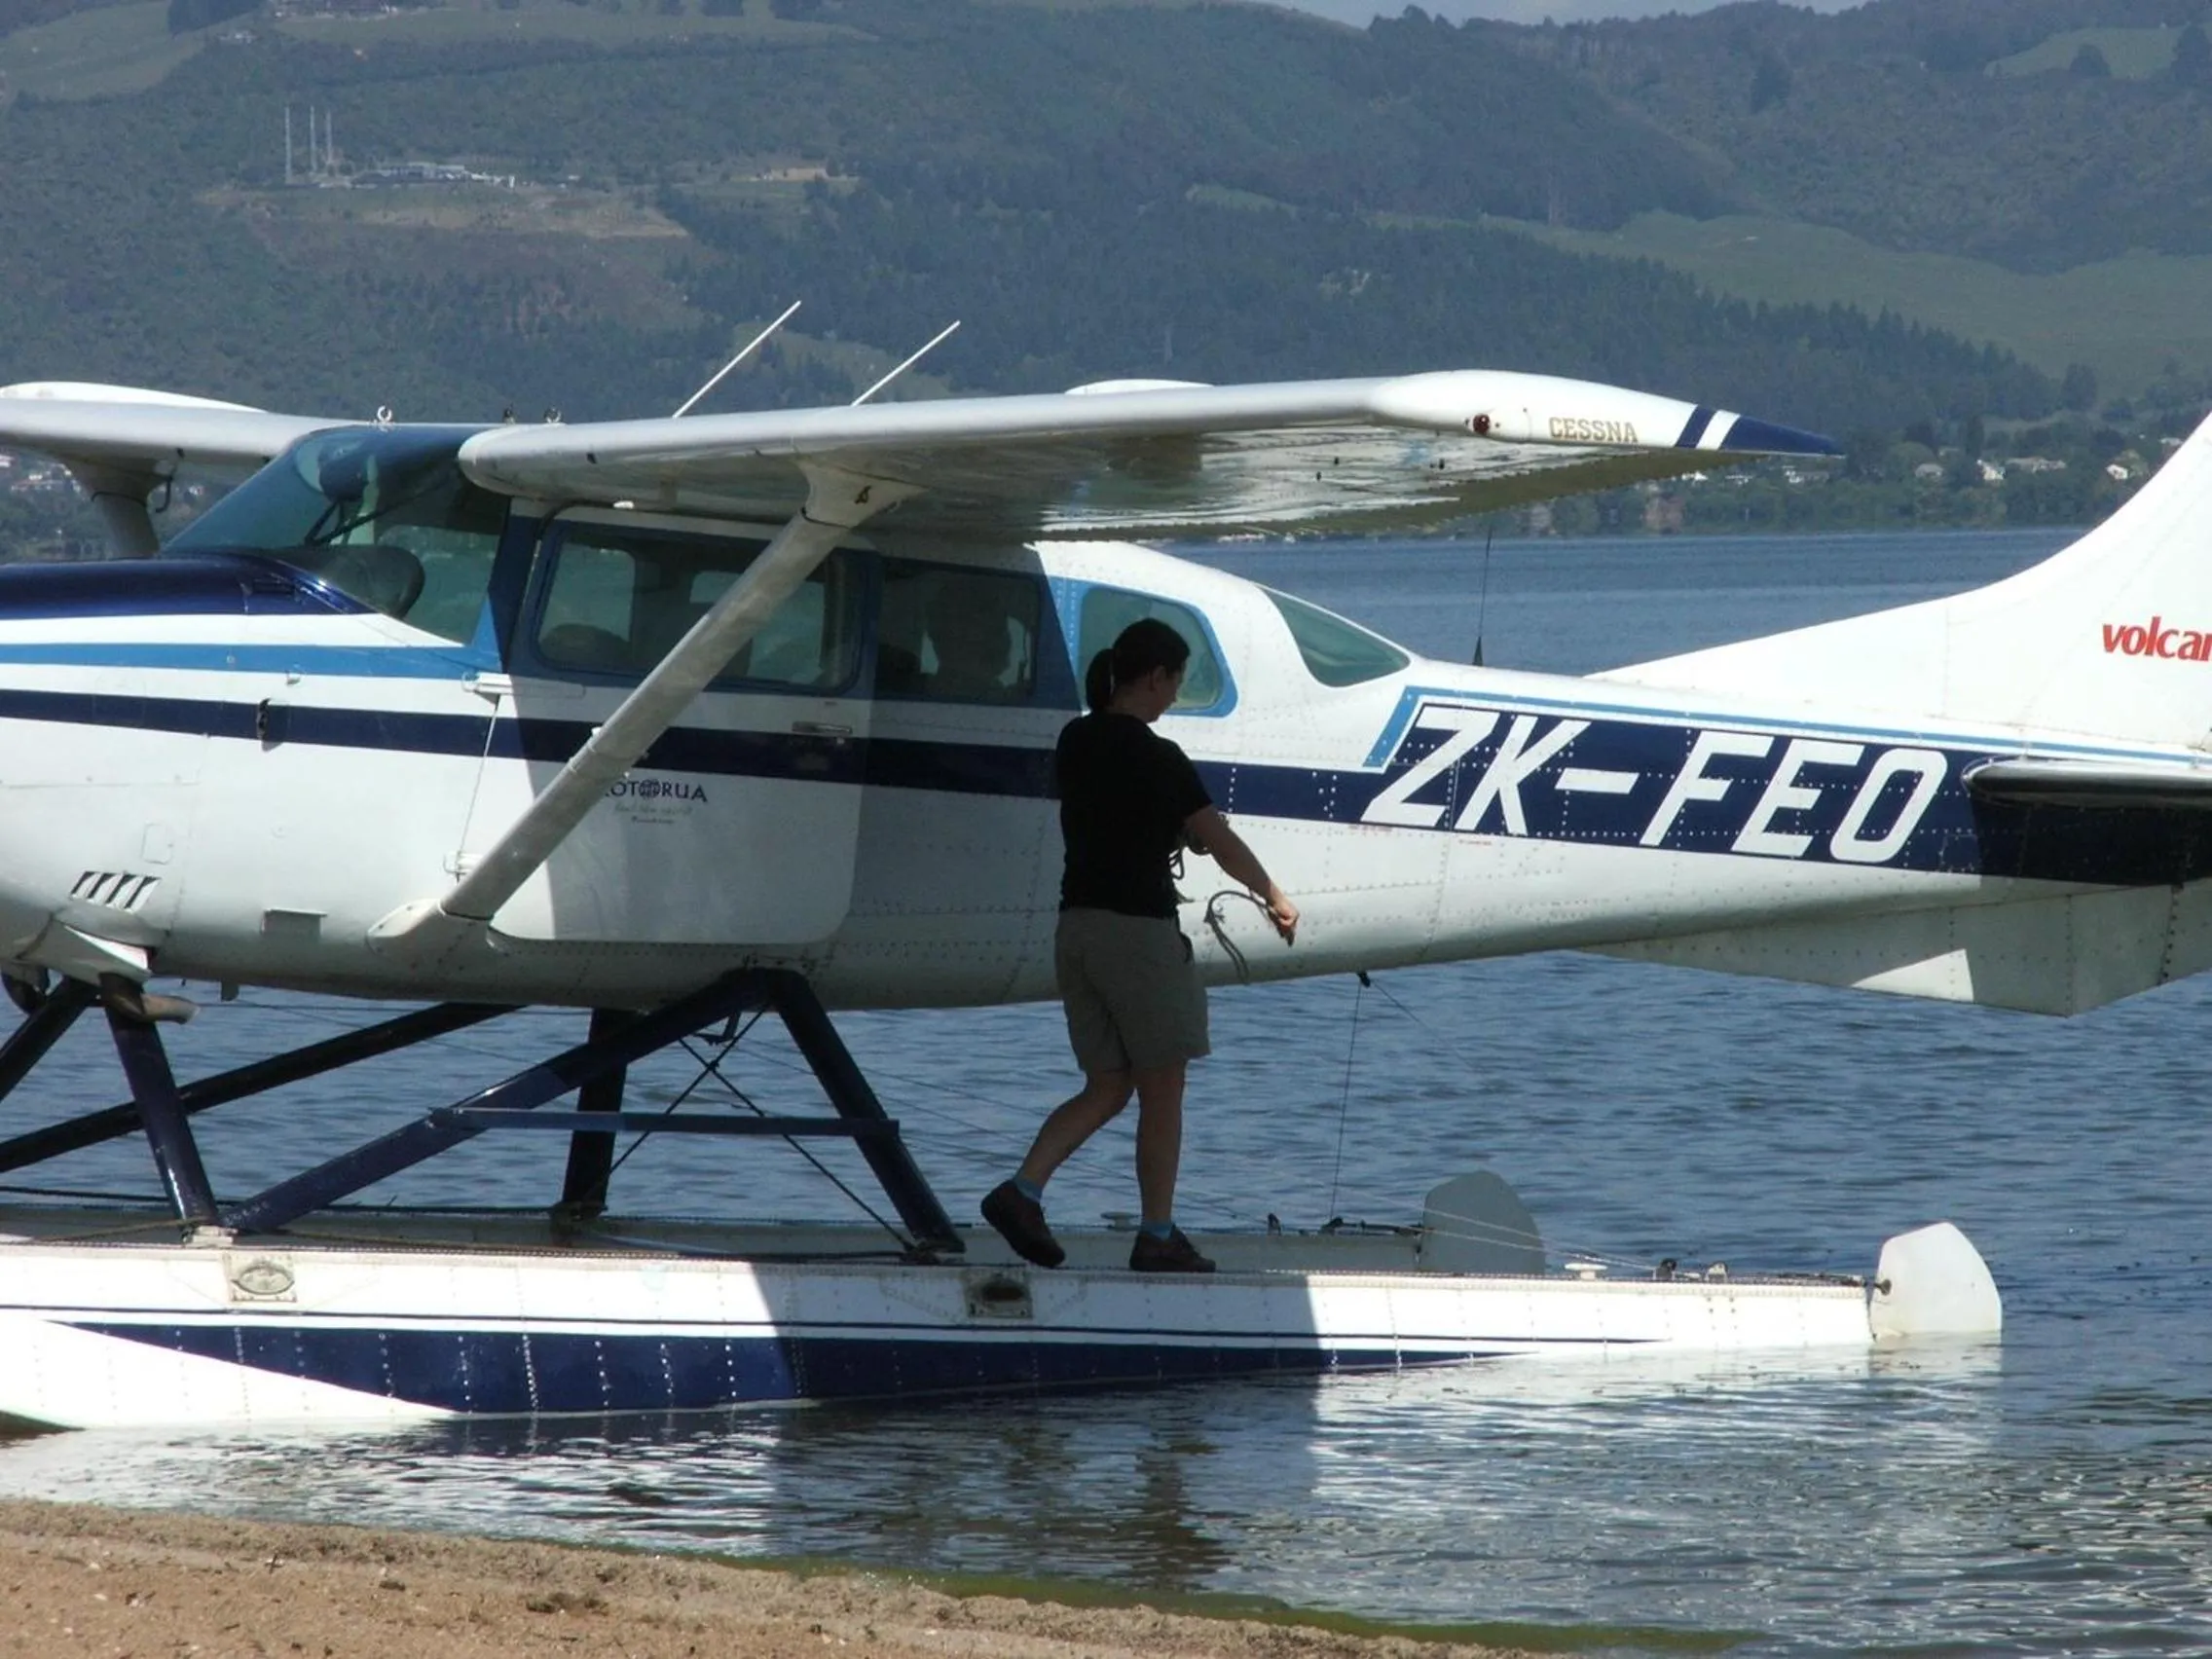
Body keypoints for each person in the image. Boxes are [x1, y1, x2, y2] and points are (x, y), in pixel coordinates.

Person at [981, 617, 1299, 1273]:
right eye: (1174, 685)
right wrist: (1273, 893)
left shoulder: (1075, 740)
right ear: (1154, 677)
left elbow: (1113, 814)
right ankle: (1157, 1235)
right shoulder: (1160, 757)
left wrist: (1165, 829)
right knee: (1163, 1092)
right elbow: (1220, 838)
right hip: (1138, 934)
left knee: (1107, 1084)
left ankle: (1022, 1192)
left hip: (1078, 931)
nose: (1172, 700)